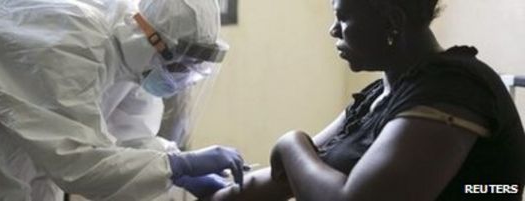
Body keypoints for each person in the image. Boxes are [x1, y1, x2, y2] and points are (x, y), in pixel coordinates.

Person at [0, 0, 245, 200]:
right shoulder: (79, 47)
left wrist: (175, 169)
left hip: (21, 72)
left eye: (190, 69)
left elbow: (123, 142)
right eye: (179, 64)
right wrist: (178, 168)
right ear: (151, 38)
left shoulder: (137, 56)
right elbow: (81, 163)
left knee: (40, 178)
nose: (179, 76)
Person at [207, 0, 525, 200]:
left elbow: (318, 174)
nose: (333, 30)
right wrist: (204, 184)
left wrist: (291, 144)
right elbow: (293, 176)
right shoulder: (377, 96)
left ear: (392, 20)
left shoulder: (454, 87)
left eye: (343, 17)